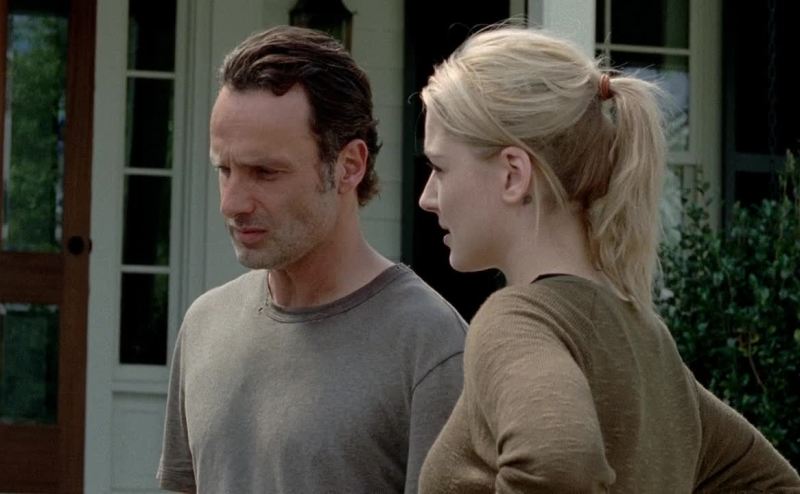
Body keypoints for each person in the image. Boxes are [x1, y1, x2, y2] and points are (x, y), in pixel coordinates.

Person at [416, 24, 800, 493]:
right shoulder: (647, 338)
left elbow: (560, 464)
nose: (427, 197)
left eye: (440, 167)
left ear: (513, 174)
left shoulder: (518, 323)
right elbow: (773, 484)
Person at [157, 26, 466, 493]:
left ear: (349, 166)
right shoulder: (204, 326)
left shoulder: (430, 345)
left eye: (265, 172)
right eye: (225, 170)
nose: (232, 203)